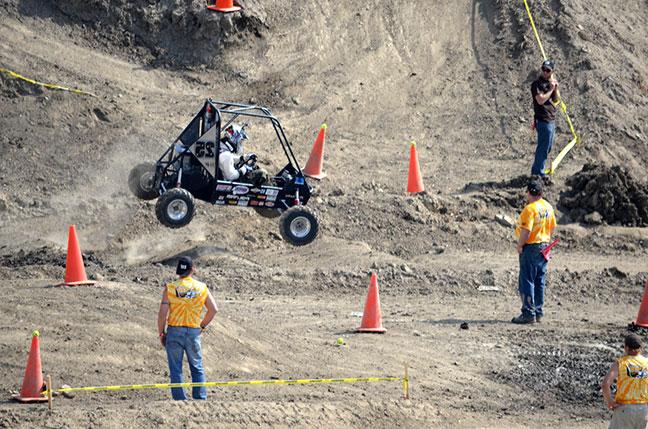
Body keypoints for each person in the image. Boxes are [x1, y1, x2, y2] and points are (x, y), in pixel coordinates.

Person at [157, 256, 218, 400]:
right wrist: (202, 326)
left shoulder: (171, 287)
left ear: (178, 270)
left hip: (174, 330)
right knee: (197, 367)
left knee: (176, 368)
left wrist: (161, 333)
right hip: (193, 331)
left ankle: (179, 401)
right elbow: (213, 309)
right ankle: (200, 398)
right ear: (193, 269)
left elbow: (162, 314)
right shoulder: (202, 287)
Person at [511, 180, 557, 324]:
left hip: (531, 247)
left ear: (529, 192)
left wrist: (520, 245)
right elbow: (552, 227)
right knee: (539, 280)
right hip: (544, 246)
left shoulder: (530, 209)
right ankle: (538, 311)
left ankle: (528, 313)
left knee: (527, 280)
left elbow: (526, 230)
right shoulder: (548, 207)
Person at [602, 333, 648, 428]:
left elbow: (605, 384)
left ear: (626, 347)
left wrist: (610, 401)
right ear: (641, 348)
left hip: (624, 408)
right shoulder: (647, 363)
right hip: (643, 409)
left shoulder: (621, 362)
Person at [530, 59, 560, 181]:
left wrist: (556, 88)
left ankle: (538, 171)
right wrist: (551, 89)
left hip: (551, 119)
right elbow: (540, 100)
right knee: (543, 147)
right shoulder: (536, 84)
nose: (545, 72)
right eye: (543, 69)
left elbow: (556, 100)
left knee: (548, 147)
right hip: (543, 120)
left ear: (552, 72)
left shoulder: (550, 84)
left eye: (548, 70)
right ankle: (537, 173)